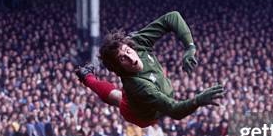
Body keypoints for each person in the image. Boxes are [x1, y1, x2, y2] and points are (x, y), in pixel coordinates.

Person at [76, 11, 224, 128]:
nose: (131, 58)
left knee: (121, 95)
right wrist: (197, 100)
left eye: (127, 51)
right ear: (119, 68)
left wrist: (190, 47)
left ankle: (86, 75)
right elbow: (175, 111)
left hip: (149, 90)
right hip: (142, 116)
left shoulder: (137, 42)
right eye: (122, 59)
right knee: (118, 98)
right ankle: (87, 77)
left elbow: (172, 17)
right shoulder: (138, 85)